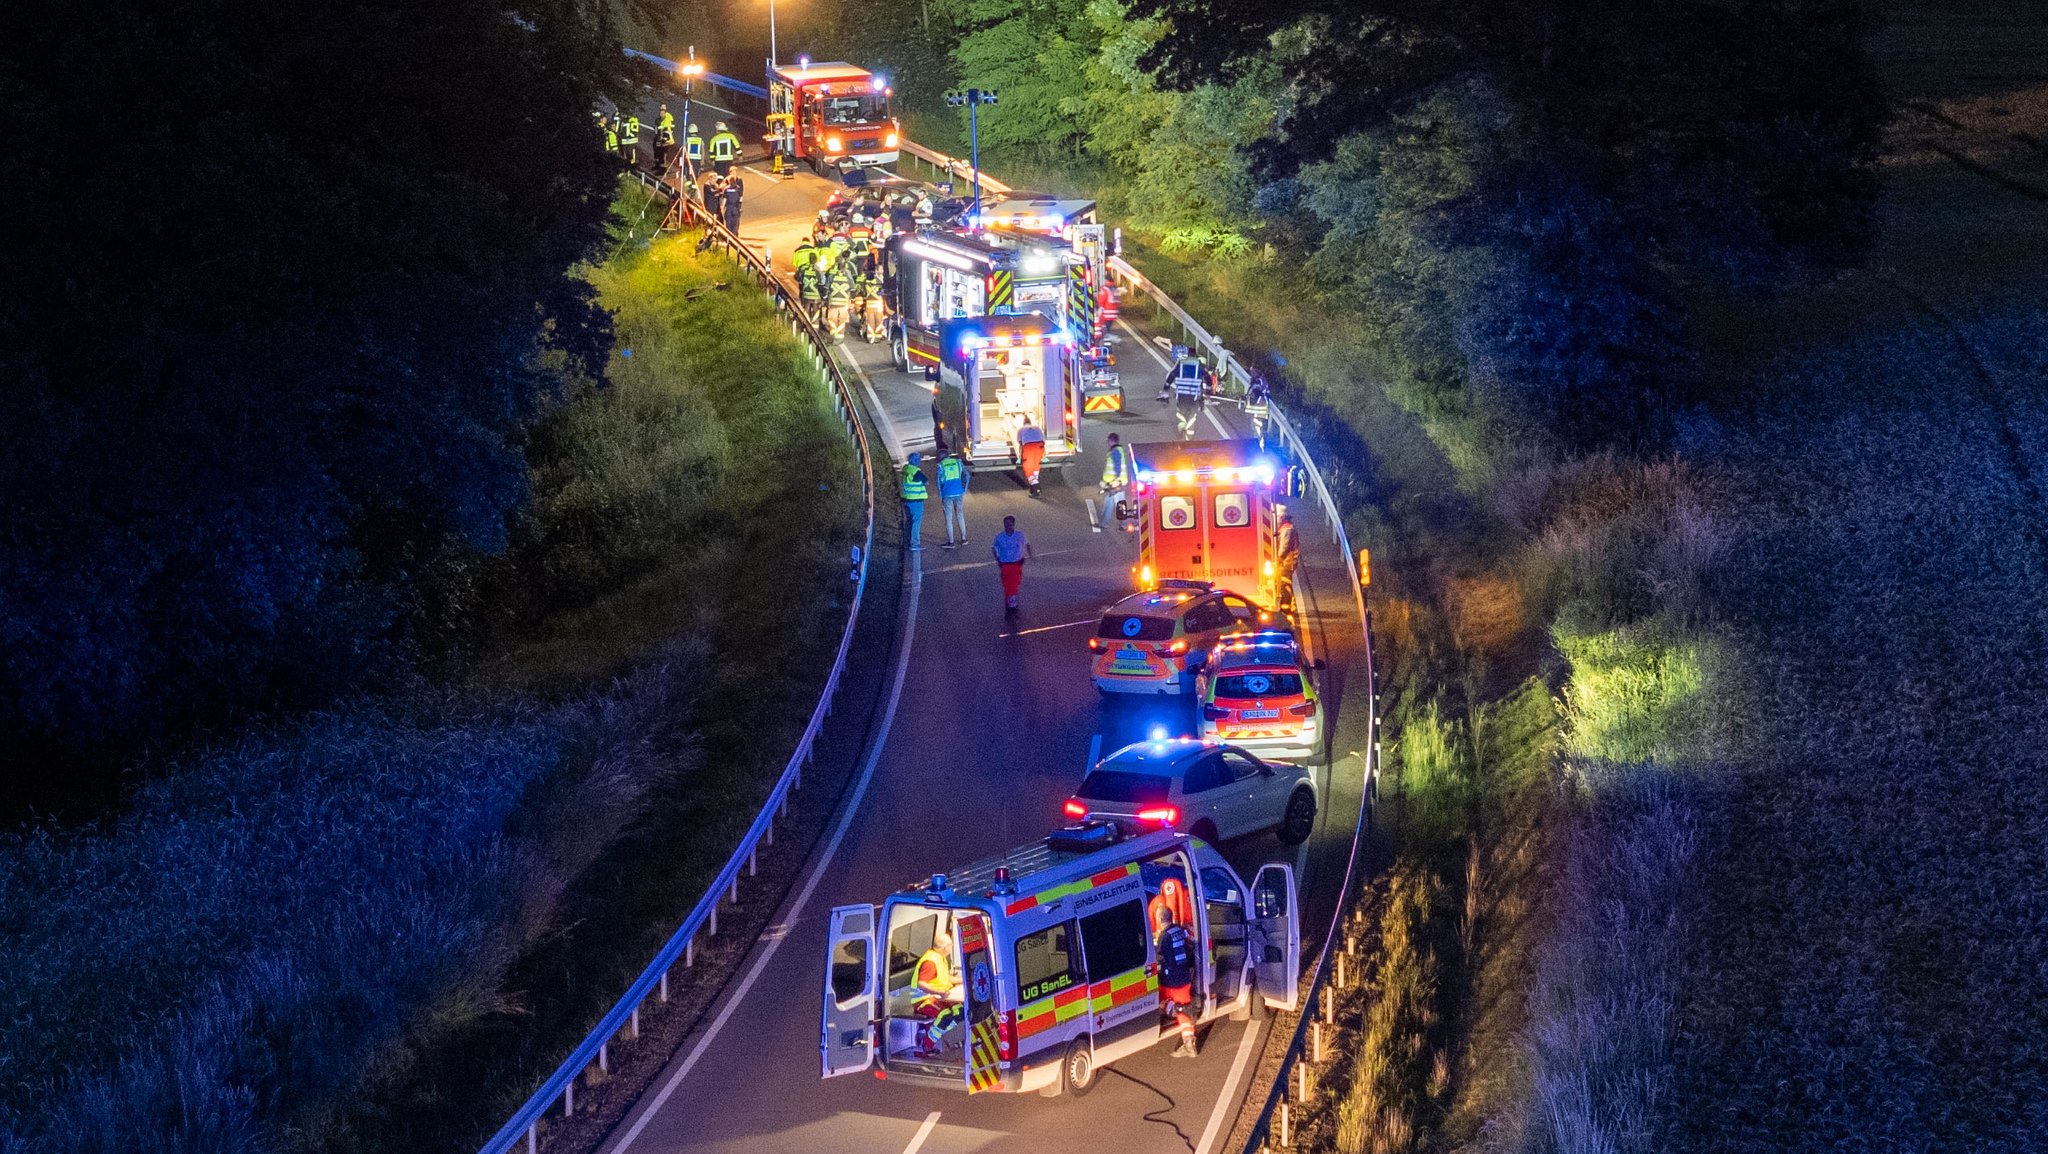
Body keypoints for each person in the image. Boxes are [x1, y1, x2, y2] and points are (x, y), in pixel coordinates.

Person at [1152, 900, 1199, 1058]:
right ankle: (1190, 1045)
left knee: (1157, 1001)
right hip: (1184, 976)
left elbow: (1160, 957)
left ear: (1159, 920)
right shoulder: (1179, 930)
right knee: (1183, 1012)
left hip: (1171, 980)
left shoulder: (1164, 937)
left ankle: (1179, 1008)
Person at [913, 922, 962, 1058]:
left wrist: (964, 980)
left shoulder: (939, 958)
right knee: (945, 1015)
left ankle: (948, 1036)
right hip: (923, 1000)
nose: (952, 947)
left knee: (961, 1011)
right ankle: (927, 1044)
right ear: (945, 947)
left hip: (940, 997)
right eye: (951, 945)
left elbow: (946, 978)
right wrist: (939, 992)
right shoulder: (930, 962)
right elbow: (921, 984)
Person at [992, 515, 1032, 617]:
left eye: (1009, 524)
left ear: (1013, 524)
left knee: (1014, 585)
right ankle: (1011, 608)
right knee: (1008, 586)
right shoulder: (1000, 537)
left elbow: (1027, 544)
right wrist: (998, 559)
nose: (1007, 526)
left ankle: (1011, 606)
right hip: (1006, 565)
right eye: (1005, 524)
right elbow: (994, 547)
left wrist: (1027, 555)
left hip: (1016, 564)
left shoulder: (1020, 535)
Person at [1098, 432, 1132, 533]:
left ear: (1111, 440)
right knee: (1109, 503)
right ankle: (1104, 524)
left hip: (1116, 484)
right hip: (1112, 484)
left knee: (1120, 505)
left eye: (1108, 440)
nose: (1107, 442)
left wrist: (1116, 481)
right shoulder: (1115, 450)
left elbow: (1117, 467)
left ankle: (1124, 524)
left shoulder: (1116, 451)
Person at [936, 451, 969, 549]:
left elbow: (938, 480)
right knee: (960, 515)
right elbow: (967, 475)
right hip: (959, 492)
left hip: (947, 494)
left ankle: (951, 542)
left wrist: (940, 493)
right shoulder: (958, 462)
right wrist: (965, 488)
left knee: (948, 519)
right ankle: (964, 538)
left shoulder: (940, 465)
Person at [901, 453, 931, 551]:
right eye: (918, 460)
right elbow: (926, 481)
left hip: (906, 499)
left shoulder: (906, 469)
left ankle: (907, 542)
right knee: (916, 522)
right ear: (916, 461)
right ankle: (914, 544)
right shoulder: (916, 471)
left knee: (909, 521)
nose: (920, 462)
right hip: (916, 500)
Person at [1275, 509, 1301, 612]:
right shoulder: (1287, 529)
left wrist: (1278, 559)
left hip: (1286, 563)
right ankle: (1290, 606)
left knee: (1284, 585)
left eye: (1277, 518)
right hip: (1288, 562)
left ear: (1281, 518)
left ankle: (1286, 608)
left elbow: (1284, 548)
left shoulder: (1287, 530)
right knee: (1286, 584)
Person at [1016, 415, 1046, 497]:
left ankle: (1037, 489)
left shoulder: (1021, 429)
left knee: (1028, 468)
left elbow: (1020, 442)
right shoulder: (1037, 427)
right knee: (1036, 465)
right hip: (1040, 447)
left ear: (1023, 423)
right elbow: (1043, 439)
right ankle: (1033, 487)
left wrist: (1020, 455)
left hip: (1029, 448)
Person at [654, 104, 677, 169]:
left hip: (665, 138)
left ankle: (664, 163)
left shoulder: (666, 118)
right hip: (665, 138)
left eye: (662, 110)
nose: (661, 112)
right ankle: (663, 162)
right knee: (663, 151)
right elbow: (656, 130)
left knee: (664, 151)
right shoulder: (661, 119)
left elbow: (672, 126)